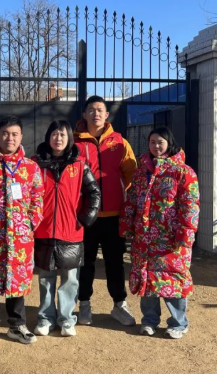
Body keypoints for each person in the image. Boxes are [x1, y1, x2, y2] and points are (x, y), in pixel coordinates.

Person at [120, 127, 200, 340]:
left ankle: (178, 323)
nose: (156, 146)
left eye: (160, 142)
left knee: (173, 279)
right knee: (147, 279)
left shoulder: (183, 172)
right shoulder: (141, 172)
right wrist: (127, 224)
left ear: (169, 143)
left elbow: (190, 205)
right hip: (144, 238)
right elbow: (132, 199)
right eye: (152, 142)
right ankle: (149, 320)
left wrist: (186, 234)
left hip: (170, 239)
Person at [0, 115, 44, 347]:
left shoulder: (30, 166)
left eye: (14, 134)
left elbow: (37, 198)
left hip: (20, 236)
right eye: (5, 133)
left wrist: (29, 224)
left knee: (18, 279)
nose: (10, 138)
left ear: (21, 137)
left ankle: (17, 324)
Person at [32, 120, 100, 337]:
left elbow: (94, 192)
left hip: (71, 231)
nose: (58, 138)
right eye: (54, 134)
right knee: (46, 278)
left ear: (69, 137)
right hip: (43, 230)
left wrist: (85, 219)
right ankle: (45, 318)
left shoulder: (79, 165)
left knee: (70, 279)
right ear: (48, 137)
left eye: (62, 134)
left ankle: (67, 319)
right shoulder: (35, 164)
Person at [74, 95, 138, 326]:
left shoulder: (120, 143)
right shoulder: (74, 143)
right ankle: (84, 304)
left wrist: (118, 192)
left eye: (100, 110)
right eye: (91, 110)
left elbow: (131, 173)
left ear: (107, 115)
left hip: (113, 215)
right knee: (85, 262)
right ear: (84, 114)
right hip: (85, 215)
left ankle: (119, 304)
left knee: (115, 262)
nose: (96, 114)